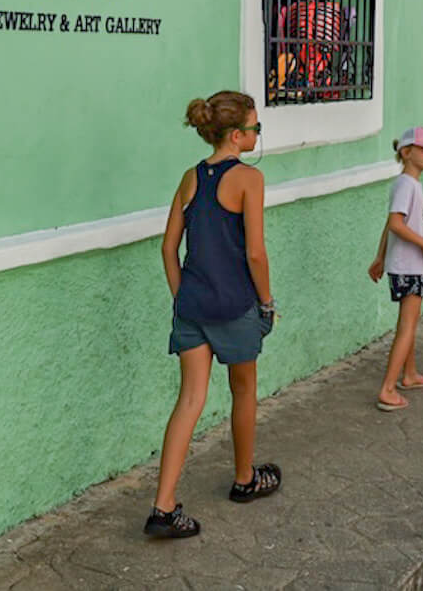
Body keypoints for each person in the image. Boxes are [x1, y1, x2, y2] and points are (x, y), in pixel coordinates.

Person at [145, 90, 282, 539]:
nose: (258, 135)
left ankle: (163, 507)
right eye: (256, 129)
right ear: (237, 134)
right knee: (243, 390)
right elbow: (256, 253)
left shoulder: (190, 178)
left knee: (190, 399)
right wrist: (267, 302)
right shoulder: (248, 180)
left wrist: (182, 294)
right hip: (235, 303)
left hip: (193, 306)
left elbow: (168, 248)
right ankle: (245, 479)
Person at [368, 126, 423, 411]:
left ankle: (409, 374)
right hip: (409, 266)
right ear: (406, 152)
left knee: (409, 323)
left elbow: (390, 223)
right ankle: (388, 388)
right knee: (408, 326)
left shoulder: (410, 184)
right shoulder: (406, 185)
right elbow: (396, 224)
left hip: (405, 265)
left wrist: (380, 257)